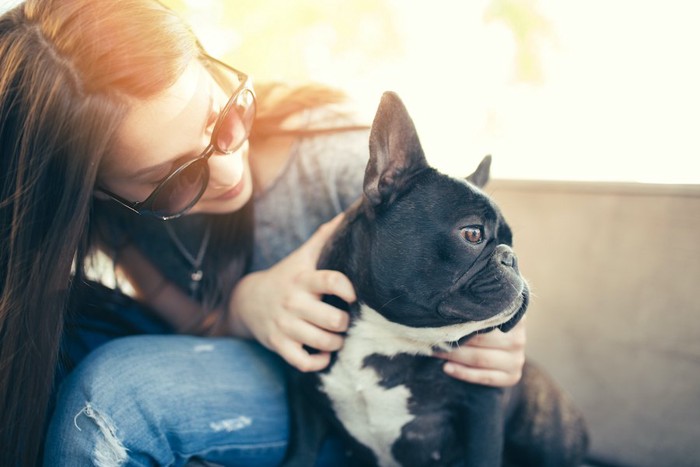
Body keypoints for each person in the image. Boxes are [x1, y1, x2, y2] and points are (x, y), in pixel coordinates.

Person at [0, 0, 530, 466]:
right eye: (176, 178)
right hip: (271, 376)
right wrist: (244, 306)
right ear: (95, 195)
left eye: (225, 117)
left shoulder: (338, 162)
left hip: (363, 405)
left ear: (213, 66)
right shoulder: (118, 222)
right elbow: (190, 323)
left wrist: (502, 340)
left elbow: (467, 273)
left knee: (113, 397)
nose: (229, 172)